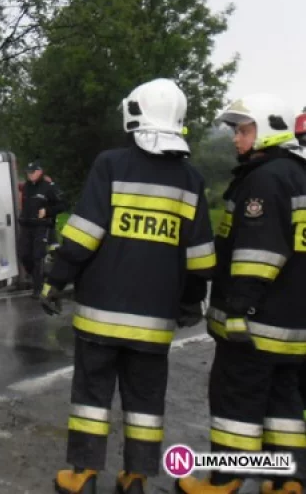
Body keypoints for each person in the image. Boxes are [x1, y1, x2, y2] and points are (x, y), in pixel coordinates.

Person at [38, 78, 216, 494]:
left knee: (90, 397)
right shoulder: (191, 181)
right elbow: (201, 258)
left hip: (101, 314)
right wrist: (190, 303)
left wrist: (56, 280)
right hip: (155, 322)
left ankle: (83, 474)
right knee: (146, 402)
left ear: (135, 114)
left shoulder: (111, 165)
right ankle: (135, 475)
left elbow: (83, 235)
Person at [175, 94, 306, 494]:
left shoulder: (264, 180)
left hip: (257, 322)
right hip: (294, 323)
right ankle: (287, 482)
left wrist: (238, 308)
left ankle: (225, 479)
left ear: (267, 129)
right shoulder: (299, 175)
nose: (236, 138)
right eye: (235, 130)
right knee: (284, 404)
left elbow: (258, 254)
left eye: (244, 129)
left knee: (236, 399)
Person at [18, 161, 66, 297]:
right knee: (24, 255)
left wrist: (47, 211)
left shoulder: (48, 187)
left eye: (32, 173)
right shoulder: (27, 187)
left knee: (37, 256)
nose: (29, 175)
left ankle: (37, 289)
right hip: (26, 226)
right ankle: (37, 276)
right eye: (27, 173)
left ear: (39, 172)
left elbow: (63, 205)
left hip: (41, 226)